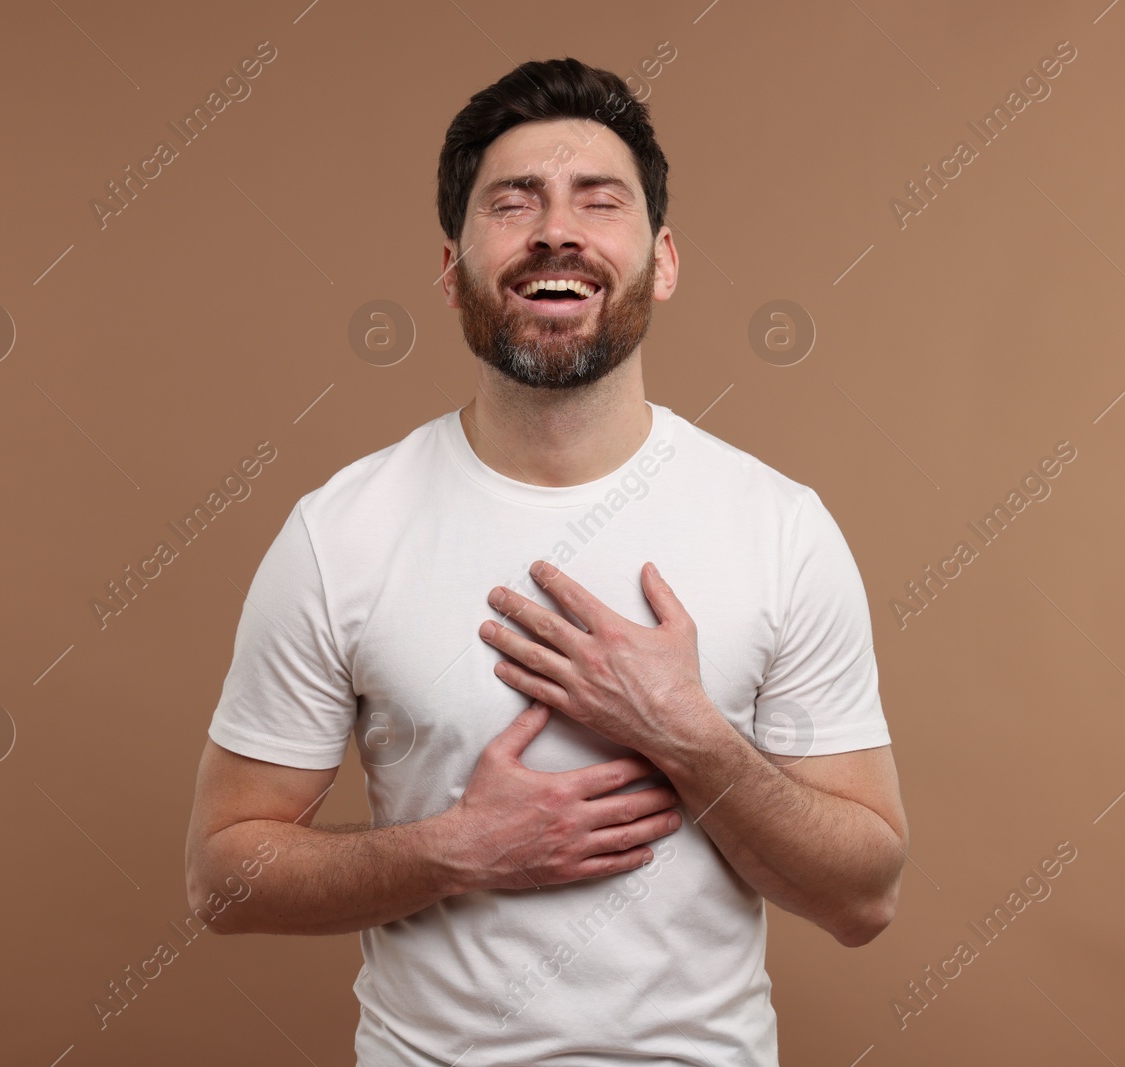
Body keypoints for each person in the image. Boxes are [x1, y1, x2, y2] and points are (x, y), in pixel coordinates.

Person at [184, 56, 908, 1066]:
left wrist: (688, 735)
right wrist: (455, 849)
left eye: (597, 201)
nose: (556, 230)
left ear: (661, 261)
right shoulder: (340, 530)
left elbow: (863, 895)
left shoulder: (778, 525)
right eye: (512, 203)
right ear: (452, 269)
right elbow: (221, 878)